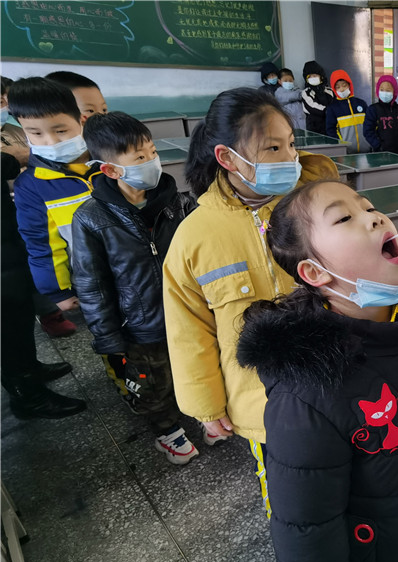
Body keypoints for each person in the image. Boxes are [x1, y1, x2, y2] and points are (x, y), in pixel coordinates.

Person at [236, 180, 398, 562]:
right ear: (315, 273)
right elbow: (308, 544)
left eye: (369, 207)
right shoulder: (307, 393)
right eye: (345, 217)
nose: (375, 217)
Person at [164, 88, 339, 512]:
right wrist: (207, 406)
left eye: (291, 144)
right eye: (273, 148)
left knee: (348, 475)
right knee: (288, 495)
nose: (290, 157)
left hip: (336, 377)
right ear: (227, 157)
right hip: (262, 402)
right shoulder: (194, 237)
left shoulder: (314, 205)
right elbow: (189, 331)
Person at [71, 112, 200, 464]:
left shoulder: (180, 203)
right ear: (111, 170)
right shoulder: (91, 218)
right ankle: (167, 430)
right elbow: (92, 284)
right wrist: (108, 338)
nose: (152, 161)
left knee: (191, 365)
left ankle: (200, 411)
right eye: (140, 157)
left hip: (187, 314)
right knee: (152, 383)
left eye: (152, 152)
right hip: (140, 325)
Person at [1, 150, 86, 420]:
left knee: (20, 311)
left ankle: (29, 369)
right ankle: (28, 396)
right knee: (8, 323)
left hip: (7, 240)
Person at [8, 77, 101, 314]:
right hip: (91, 283)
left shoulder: (107, 163)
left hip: (136, 270)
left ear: (81, 120)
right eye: (36, 133)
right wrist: (58, 291)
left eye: (60, 131)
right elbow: (41, 243)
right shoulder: (32, 186)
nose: (50, 141)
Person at [363, 75, 398, 156]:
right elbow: (367, 131)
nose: (384, 93)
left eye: (388, 90)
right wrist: (378, 146)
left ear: (394, 92)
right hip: (382, 155)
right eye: (381, 90)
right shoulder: (373, 109)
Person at [325, 70, 369, 154]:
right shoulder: (333, 108)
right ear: (334, 89)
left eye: (344, 85)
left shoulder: (361, 103)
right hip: (347, 152)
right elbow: (331, 130)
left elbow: (370, 124)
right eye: (338, 87)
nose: (341, 89)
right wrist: (341, 145)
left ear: (349, 85)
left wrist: (371, 143)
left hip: (367, 150)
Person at [299, 60, 334, 135]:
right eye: (309, 77)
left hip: (330, 126)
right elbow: (311, 106)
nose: (312, 78)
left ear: (321, 76)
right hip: (314, 129)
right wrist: (328, 111)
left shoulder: (329, 90)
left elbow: (334, 103)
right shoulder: (306, 92)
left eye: (314, 76)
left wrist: (332, 112)